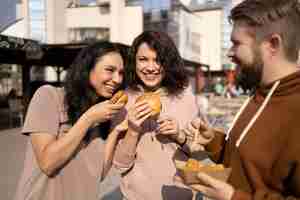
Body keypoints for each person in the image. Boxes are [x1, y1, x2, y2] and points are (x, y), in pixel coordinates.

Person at [182, 0, 300, 199]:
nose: (229, 52)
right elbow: (247, 164)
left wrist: (233, 197)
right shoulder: (259, 94)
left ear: (272, 44)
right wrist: (214, 142)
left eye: (236, 43)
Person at [14, 41, 128, 200]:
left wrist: (115, 131)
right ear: (87, 68)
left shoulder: (103, 114)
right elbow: (48, 163)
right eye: (110, 70)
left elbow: (99, 174)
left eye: (121, 73)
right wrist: (88, 118)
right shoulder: (49, 96)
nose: (117, 79)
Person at [112, 30, 200, 200]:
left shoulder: (185, 97)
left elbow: (200, 154)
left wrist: (179, 136)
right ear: (134, 62)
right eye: (143, 59)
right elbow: (120, 165)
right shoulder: (124, 100)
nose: (151, 68)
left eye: (158, 60)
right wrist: (133, 130)